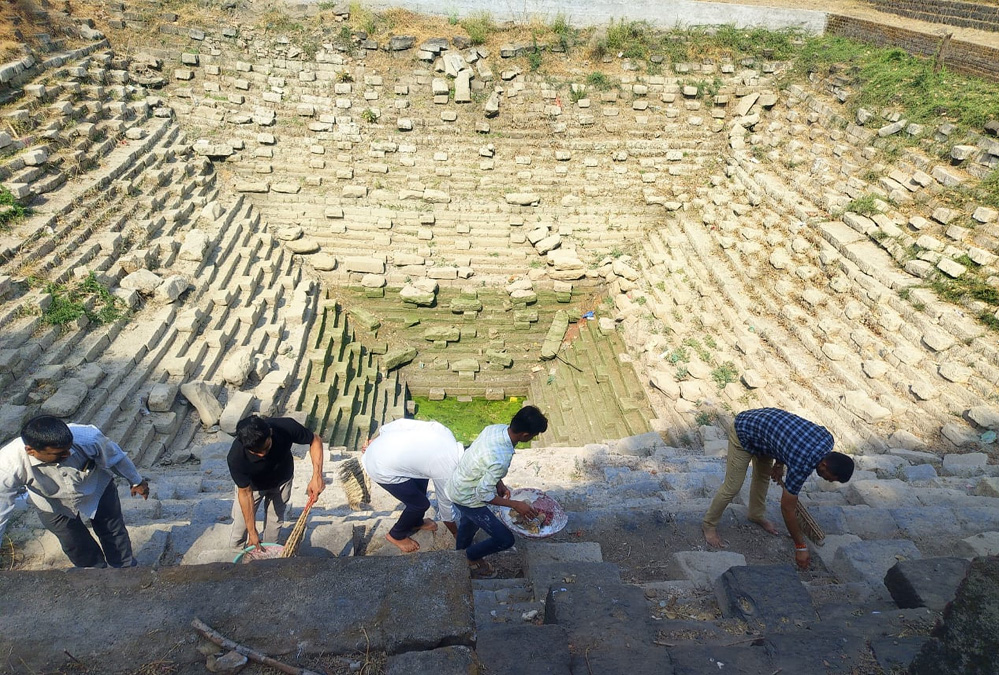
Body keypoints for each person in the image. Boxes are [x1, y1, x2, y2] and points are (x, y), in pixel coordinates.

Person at [702, 407, 855, 570]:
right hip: (745, 431)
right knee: (733, 486)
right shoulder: (802, 464)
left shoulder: (827, 439)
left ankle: (756, 515)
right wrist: (800, 546)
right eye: (828, 477)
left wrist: (779, 464)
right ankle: (708, 525)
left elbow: (790, 441)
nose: (826, 480)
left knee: (762, 478)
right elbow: (787, 508)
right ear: (824, 464)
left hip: (766, 438)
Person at [0, 415, 150, 568]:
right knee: (74, 543)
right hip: (50, 502)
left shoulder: (88, 438)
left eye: (69, 449)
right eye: (60, 454)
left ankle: (125, 569)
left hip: (96, 489)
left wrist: (136, 481)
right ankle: (93, 572)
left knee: (113, 531)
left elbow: (116, 458)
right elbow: (1, 510)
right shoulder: (8, 466)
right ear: (31, 451)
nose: (68, 454)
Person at [446, 405, 549, 578]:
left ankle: (460, 550)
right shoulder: (502, 458)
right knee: (505, 540)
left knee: (469, 522)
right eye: (534, 435)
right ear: (525, 435)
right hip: (468, 497)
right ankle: (470, 556)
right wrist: (515, 504)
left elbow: (481, 457)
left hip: (456, 484)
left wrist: (498, 482)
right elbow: (483, 495)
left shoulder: (494, 429)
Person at [361, 418, 464, 553]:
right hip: (380, 467)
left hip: (384, 447)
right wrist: (456, 533)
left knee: (422, 482)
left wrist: (377, 439)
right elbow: (445, 508)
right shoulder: (446, 470)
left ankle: (416, 522)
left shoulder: (444, 432)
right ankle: (396, 535)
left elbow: (400, 423)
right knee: (420, 504)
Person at [227, 414, 325, 550]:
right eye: (257, 453)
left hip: (282, 480)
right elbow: (245, 493)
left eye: (266, 448)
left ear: (270, 433)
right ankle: (235, 555)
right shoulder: (236, 457)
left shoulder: (285, 427)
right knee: (240, 526)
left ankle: (269, 555)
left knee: (274, 523)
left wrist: (317, 476)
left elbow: (315, 440)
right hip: (253, 487)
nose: (263, 455)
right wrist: (252, 532)